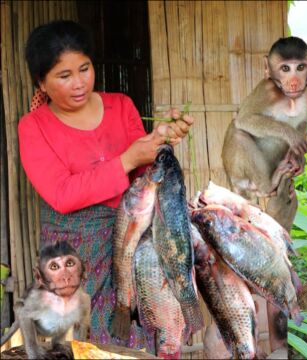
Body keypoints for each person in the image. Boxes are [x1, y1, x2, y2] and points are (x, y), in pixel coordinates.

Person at [18, 20, 193, 350]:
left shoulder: (120, 106)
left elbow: (142, 177)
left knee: (139, 333)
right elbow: (62, 194)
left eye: (84, 69)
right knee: (78, 344)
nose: (79, 83)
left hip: (130, 241)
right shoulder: (33, 127)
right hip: (73, 257)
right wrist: (126, 158)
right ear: (41, 81)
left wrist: (159, 142)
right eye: (64, 75)